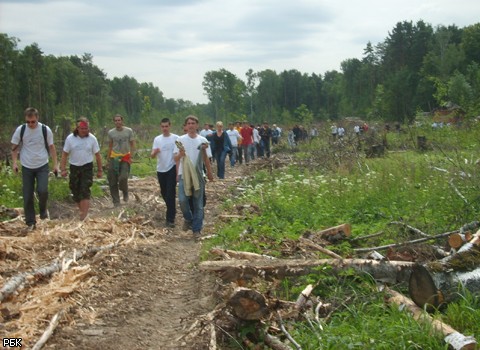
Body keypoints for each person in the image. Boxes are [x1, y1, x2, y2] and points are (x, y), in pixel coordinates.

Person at [11, 107, 59, 230]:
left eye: (33, 122)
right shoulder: (21, 130)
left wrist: (55, 165)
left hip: (42, 164)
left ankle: (43, 211)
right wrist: (15, 163)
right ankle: (30, 222)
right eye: (28, 122)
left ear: (37, 118)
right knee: (27, 195)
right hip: (27, 166)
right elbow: (14, 147)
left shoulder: (45, 129)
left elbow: (52, 147)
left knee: (42, 190)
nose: (31, 124)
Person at [174, 115, 213, 240]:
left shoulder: (203, 140)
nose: (191, 125)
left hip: (198, 174)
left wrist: (210, 173)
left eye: (193, 123)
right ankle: (188, 218)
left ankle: (196, 230)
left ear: (197, 125)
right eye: (189, 123)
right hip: (184, 174)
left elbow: (206, 158)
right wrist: (180, 156)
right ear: (186, 126)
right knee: (182, 200)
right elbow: (175, 159)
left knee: (198, 203)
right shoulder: (180, 140)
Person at [60, 117, 102, 221]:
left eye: (86, 128)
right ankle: (82, 212)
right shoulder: (70, 139)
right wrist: (63, 169)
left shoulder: (92, 139)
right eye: (82, 128)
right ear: (77, 128)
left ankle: (83, 216)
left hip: (87, 167)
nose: (84, 131)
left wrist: (100, 170)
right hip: (74, 167)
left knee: (85, 190)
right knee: (75, 190)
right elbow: (65, 154)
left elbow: (97, 155)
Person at [151, 118, 179, 228]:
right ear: (160, 127)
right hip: (161, 169)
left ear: (170, 126)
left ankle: (170, 219)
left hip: (171, 167)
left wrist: (178, 172)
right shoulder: (157, 139)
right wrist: (154, 152)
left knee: (170, 193)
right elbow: (152, 155)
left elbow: (181, 152)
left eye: (166, 126)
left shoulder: (176, 138)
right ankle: (171, 209)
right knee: (164, 193)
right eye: (162, 126)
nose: (164, 129)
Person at [107, 114, 135, 207]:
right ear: (114, 122)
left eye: (119, 120)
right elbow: (110, 146)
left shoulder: (128, 131)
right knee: (112, 179)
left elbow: (132, 144)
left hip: (125, 157)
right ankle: (116, 201)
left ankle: (125, 191)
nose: (117, 122)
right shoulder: (111, 132)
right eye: (116, 120)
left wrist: (131, 156)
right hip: (114, 157)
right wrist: (108, 159)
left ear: (122, 121)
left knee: (123, 177)